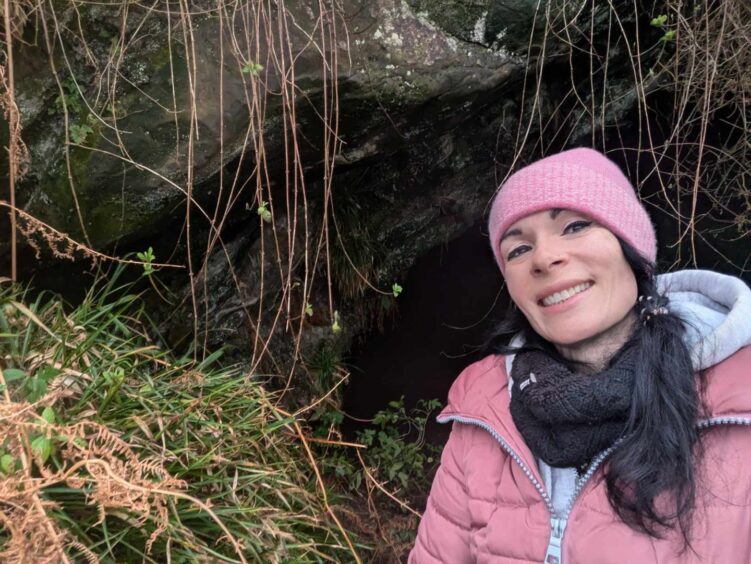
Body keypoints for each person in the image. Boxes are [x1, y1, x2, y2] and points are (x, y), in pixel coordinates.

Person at [409, 148, 751, 563]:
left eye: (574, 225)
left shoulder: (739, 401)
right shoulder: (483, 407)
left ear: (632, 249)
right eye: (517, 249)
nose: (544, 257)